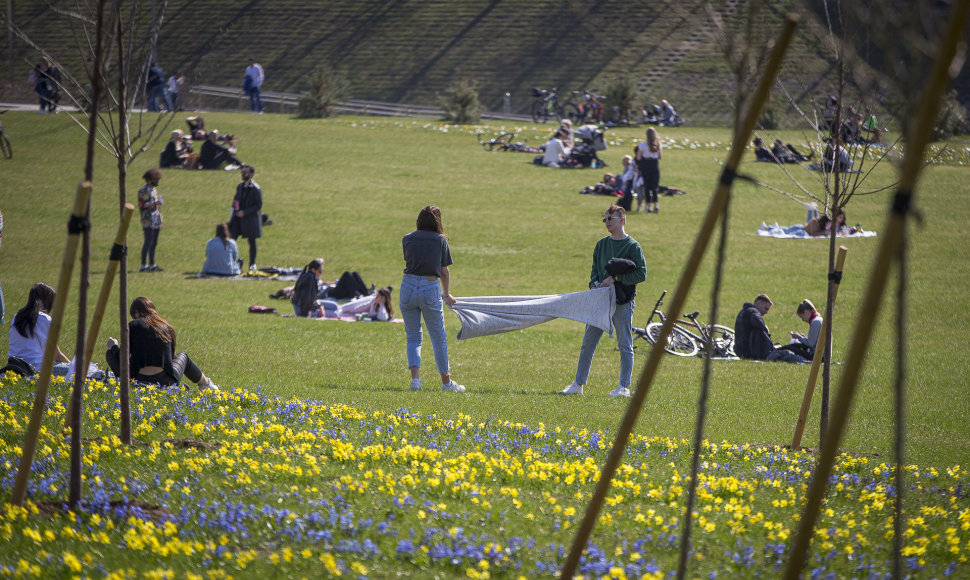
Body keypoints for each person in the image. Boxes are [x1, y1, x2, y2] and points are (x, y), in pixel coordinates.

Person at [561, 204, 647, 397]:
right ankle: (578, 384)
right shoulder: (601, 244)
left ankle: (624, 387)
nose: (607, 222)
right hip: (599, 302)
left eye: (611, 219)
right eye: (605, 219)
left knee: (625, 344)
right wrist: (593, 284)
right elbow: (594, 271)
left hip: (622, 302)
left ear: (622, 220)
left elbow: (641, 274)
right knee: (588, 343)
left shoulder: (632, 246)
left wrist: (616, 279)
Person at [400, 205, 464, 393]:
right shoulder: (440, 241)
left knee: (413, 336)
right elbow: (444, 270)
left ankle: (415, 381)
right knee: (438, 337)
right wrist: (446, 293)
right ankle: (446, 382)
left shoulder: (407, 239)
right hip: (429, 286)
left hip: (407, 286)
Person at [105, 297, 218, 390]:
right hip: (166, 381)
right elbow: (171, 357)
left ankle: (127, 385)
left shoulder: (133, 325)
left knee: (110, 353)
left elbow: (122, 357)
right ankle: (206, 384)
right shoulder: (165, 326)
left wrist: (114, 346)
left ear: (137, 312)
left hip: (138, 379)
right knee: (183, 356)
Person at [7, 283, 71, 376]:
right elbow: (55, 354)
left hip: (14, 366)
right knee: (82, 372)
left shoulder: (17, 316)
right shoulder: (44, 319)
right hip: (36, 369)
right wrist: (72, 366)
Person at [734, 294, 808, 363]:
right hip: (756, 355)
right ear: (759, 303)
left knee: (780, 347)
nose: (766, 312)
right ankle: (806, 362)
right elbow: (761, 327)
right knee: (787, 353)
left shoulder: (743, 312)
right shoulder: (753, 312)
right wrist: (766, 329)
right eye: (765, 308)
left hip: (743, 353)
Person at [228, 165, 263, 270]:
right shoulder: (240, 187)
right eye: (242, 172)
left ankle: (252, 263)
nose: (243, 174)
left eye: (245, 172)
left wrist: (245, 212)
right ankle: (232, 261)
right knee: (231, 240)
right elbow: (236, 199)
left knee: (251, 241)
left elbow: (258, 205)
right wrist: (235, 206)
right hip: (238, 219)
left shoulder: (256, 189)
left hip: (249, 219)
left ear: (251, 174)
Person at [137, 168, 164, 273]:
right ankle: (143, 265)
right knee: (147, 242)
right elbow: (142, 205)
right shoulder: (143, 191)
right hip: (147, 220)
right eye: (155, 179)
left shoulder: (154, 190)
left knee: (154, 242)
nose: (157, 181)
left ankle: (152, 264)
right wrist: (155, 203)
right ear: (149, 179)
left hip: (156, 220)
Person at [635, 127, 662, 213]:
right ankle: (656, 206)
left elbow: (638, 157)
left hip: (646, 165)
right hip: (654, 165)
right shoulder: (658, 144)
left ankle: (648, 206)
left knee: (647, 186)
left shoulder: (642, 145)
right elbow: (660, 157)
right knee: (654, 186)